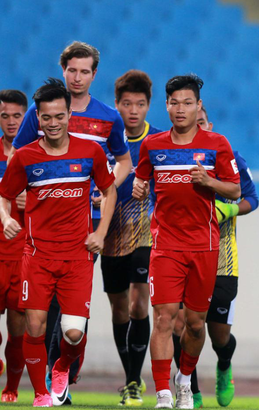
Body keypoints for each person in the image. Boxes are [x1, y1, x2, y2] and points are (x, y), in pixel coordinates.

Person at [11, 41, 131, 395]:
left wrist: (105, 189)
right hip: (44, 219)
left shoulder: (108, 117)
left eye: (84, 71)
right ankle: (49, 379)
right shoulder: (44, 111)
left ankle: (63, 369)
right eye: (72, 70)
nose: (77, 77)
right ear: (63, 70)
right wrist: (21, 191)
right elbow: (20, 156)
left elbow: (123, 161)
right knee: (42, 307)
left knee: (73, 308)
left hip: (88, 220)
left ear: (94, 74)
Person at [132, 74, 240, 409]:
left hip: (204, 247)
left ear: (198, 106)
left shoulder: (217, 144)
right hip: (165, 246)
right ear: (166, 106)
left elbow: (235, 189)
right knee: (164, 319)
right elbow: (141, 180)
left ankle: (184, 381)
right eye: (174, 103)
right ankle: (163, 393)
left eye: (187, 103)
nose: (180, 109)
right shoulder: (152, 146)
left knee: (195, 325)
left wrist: (209, 181)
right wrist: (139, 188)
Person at [171, 105, 259, 408]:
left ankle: (224, 365)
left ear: (210, 125)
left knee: (219, 335)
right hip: (181, 253)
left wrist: (229, 208)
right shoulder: (172, 158)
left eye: (202, 123)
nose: (198, 129)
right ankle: (190, 390)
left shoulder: (231, 158)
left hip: (222, 259)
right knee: (181, 325)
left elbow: (252, 198)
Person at [105, 70, 163, 406]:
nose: (133, 110)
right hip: (111, 235)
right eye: (127, 104)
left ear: (148, 105)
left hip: (146, 234)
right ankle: (131, 375)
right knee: (118, 310)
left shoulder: (158, 142)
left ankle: (132, 383)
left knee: (139, 304)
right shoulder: (105, 142)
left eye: (140, 104)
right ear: (117, 104)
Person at [0, 89, 28, 403]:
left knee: (17, 328)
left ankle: (11, 388)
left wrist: (31, 199)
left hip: (23, 254)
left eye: (16, 116)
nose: (10, 121)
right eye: (4, 115)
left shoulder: (35, 156)